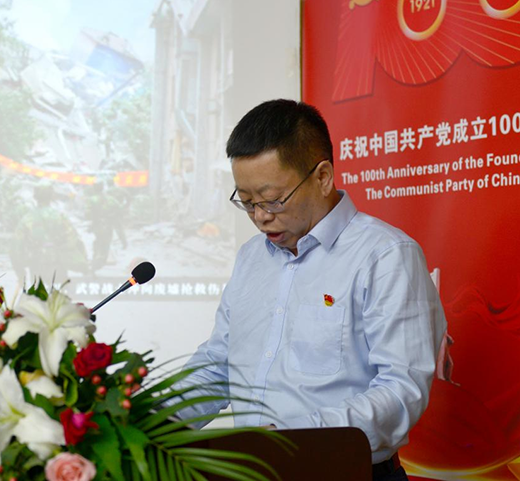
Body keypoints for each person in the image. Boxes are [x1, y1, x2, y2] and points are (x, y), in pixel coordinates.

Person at [176, 100, 447, 481]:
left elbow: (402, 391)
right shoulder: (251, 257)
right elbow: (220, 364)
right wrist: (146, 421)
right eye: (247, 202)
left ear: (322, 177)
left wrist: (293, 441)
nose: (261, 217)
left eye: (273, 200)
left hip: (347, 473)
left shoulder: (385, 256)